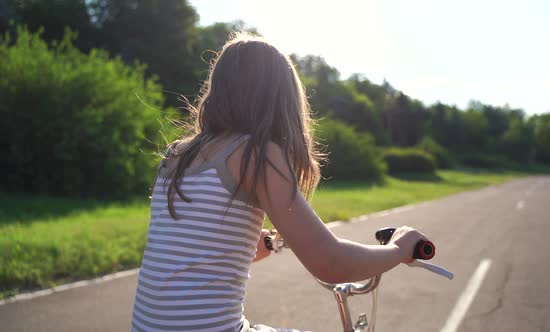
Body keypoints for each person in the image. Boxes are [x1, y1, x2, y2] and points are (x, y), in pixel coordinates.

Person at [130, 32, 429, 332]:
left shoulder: (177, 154)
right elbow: (331, 262)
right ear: (280, 100)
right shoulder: (255, 153)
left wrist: (269, 242)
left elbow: (198, 254)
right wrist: (399, 248)